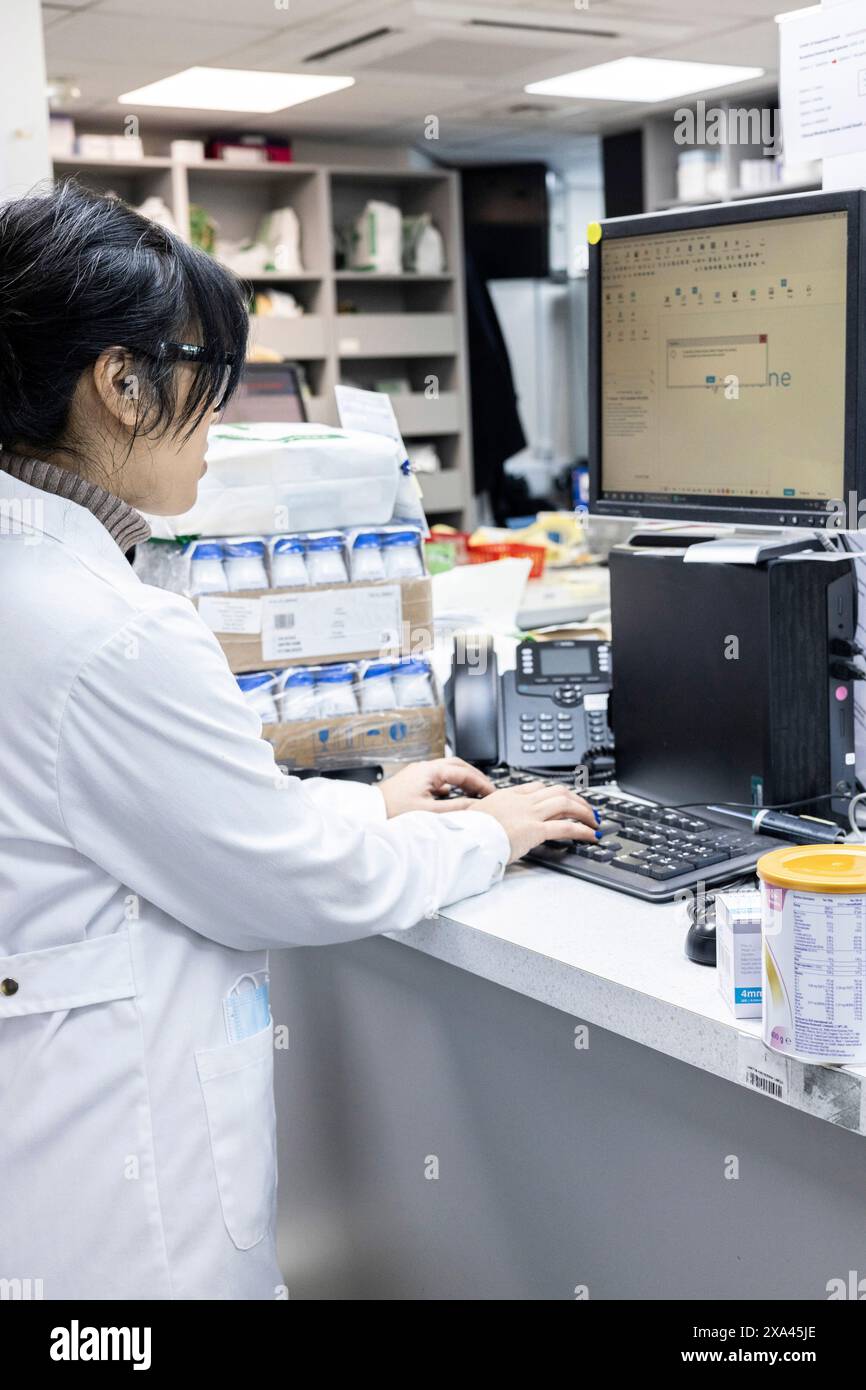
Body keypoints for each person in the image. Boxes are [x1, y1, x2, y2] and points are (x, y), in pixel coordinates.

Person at [0, 184, 597, 1301]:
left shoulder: (37, 580)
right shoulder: (107, 631)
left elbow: (174, 821)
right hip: (119, 1230)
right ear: (120, 384)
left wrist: (373, 802)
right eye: (206, 384)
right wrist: (485, 833)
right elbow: (288, 883)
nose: (220, 421)